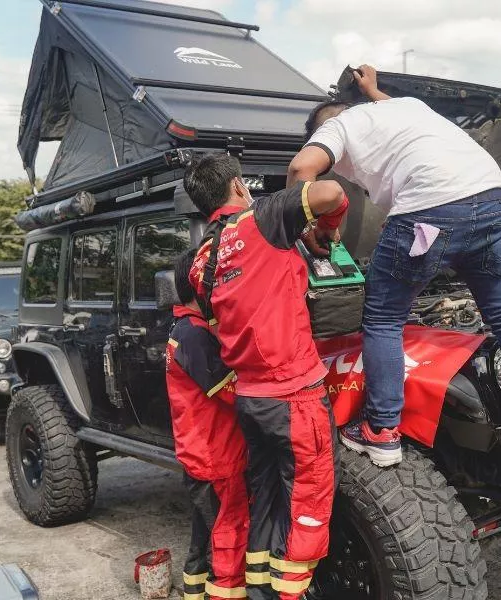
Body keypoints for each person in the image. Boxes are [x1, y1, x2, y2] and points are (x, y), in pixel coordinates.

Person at [287, 65, 501, 466]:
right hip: (489, 198)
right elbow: (386, 107)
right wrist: (372, 89)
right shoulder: (405, 107)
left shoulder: (336, 127)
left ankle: (381, 430)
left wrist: (303, 227)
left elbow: (301, 169)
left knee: (384, 319)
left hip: (429, 211)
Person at [184, 154, 347, 600]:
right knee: (308, 502)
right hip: (294, 397)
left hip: (251, 400)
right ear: (239, 186)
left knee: (268, 500)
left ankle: (260, 591)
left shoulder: (200, 261)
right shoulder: (261, 219)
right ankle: (289, 593)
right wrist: (324, 229)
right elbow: (332, 192)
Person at [165, 248, 249, 600]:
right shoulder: (194, 336)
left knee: (204, 531)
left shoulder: (188, 328)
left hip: (203, 453)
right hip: (217, 457)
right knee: (229, 535)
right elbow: (230, 390)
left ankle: (194, 590)